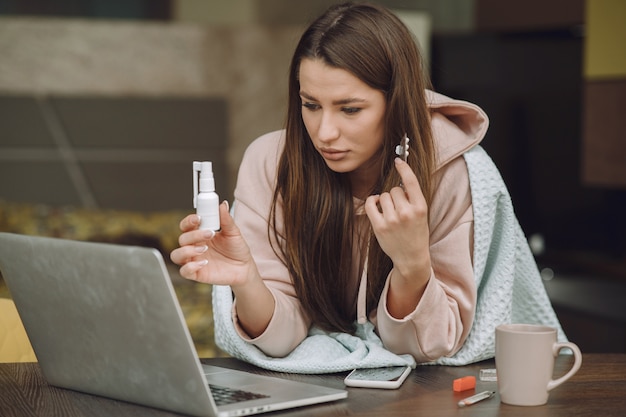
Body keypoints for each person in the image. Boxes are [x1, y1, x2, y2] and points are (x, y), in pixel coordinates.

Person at [171, 2, 486, 363]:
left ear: (397, 102)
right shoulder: (270, 162)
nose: (325, 133)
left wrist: (412, 264)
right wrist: (247, 281)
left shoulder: (448, 171)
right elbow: (279, 340)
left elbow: (431, 345)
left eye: (350, 109)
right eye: (311, 105)